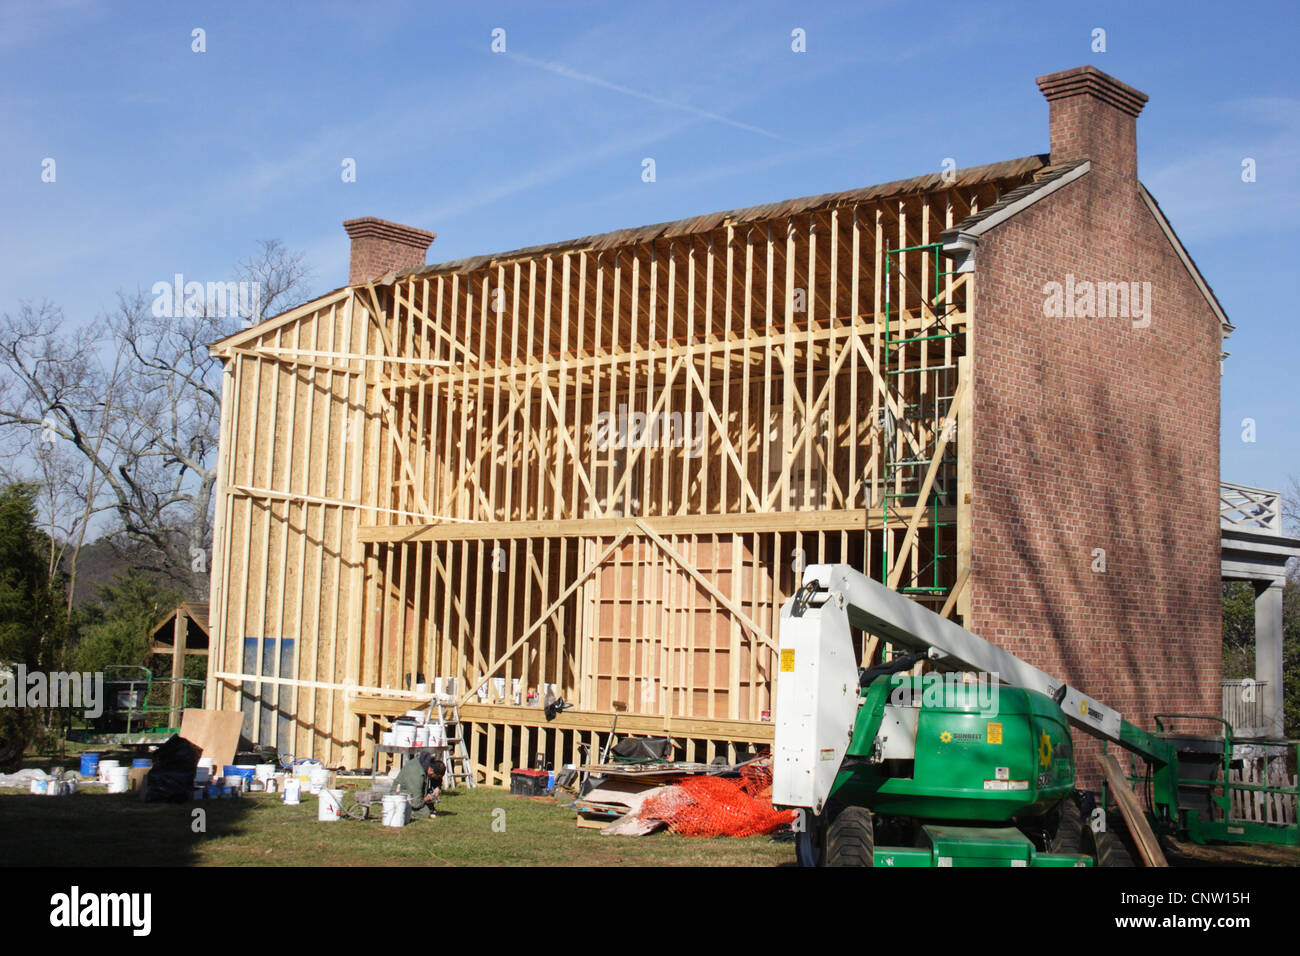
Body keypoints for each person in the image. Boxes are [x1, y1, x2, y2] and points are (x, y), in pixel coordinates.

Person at [393, 752, 445, 818]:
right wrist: (426, 799)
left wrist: (437, 788)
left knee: (427, 808)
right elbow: (416, 804)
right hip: (400, 795)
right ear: (431, 771)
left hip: (410, 792)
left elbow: (437, 780)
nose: (435, 778)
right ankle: (404, 812)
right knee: (425, 813)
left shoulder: (426, 764)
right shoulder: (418, 776)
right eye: (435, 777)